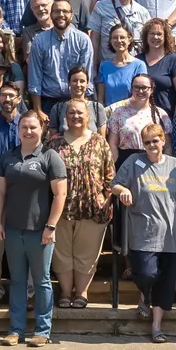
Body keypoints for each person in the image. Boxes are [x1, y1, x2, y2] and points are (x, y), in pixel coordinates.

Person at [0, 110, 65, 347]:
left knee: (41, 281)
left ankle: (43, 331)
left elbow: (60, 194)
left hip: (40, 230)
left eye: (33, 127)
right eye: (24, 127)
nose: (28, 131)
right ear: (18, 130)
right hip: (13, 228)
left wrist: (51, 226)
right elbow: (0, 191)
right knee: (17, 280)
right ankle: (16, 329)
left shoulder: (50, 156)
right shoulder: (8, 157)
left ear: (42, 129)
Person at [113, 124, 176, 343]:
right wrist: (124, 190)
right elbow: (114, 184)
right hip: (144, 232)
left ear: (163, 140)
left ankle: (156, 326)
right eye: (147, 142)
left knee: (166, 281)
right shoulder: (134, 163)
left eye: (155, 140)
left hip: (173, 235)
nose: (152, 145)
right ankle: (145, 293)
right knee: (147, 274)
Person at [50, 97, 115, 310]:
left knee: (86, 254)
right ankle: (66, 293)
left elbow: (109, 175)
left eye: (80, 113)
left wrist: (106, 200)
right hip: (61, 208)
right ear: (65, 117)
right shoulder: (53, 143)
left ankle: (82, 292)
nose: (76, 116)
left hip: (93, 208)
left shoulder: (99, 142)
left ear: (88, 116)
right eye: (71, 113)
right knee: (62, 253)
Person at [28, 0, 94, 116]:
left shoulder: (83, 40)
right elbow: (35, 77)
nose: (61, 15)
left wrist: (85, 105)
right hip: (48, 103)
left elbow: (86, 76)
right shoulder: (39, 41)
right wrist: (38, 110)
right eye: (57, 11)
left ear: (71, 15)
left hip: (76, 101)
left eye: (65, 11)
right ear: (51, 14)